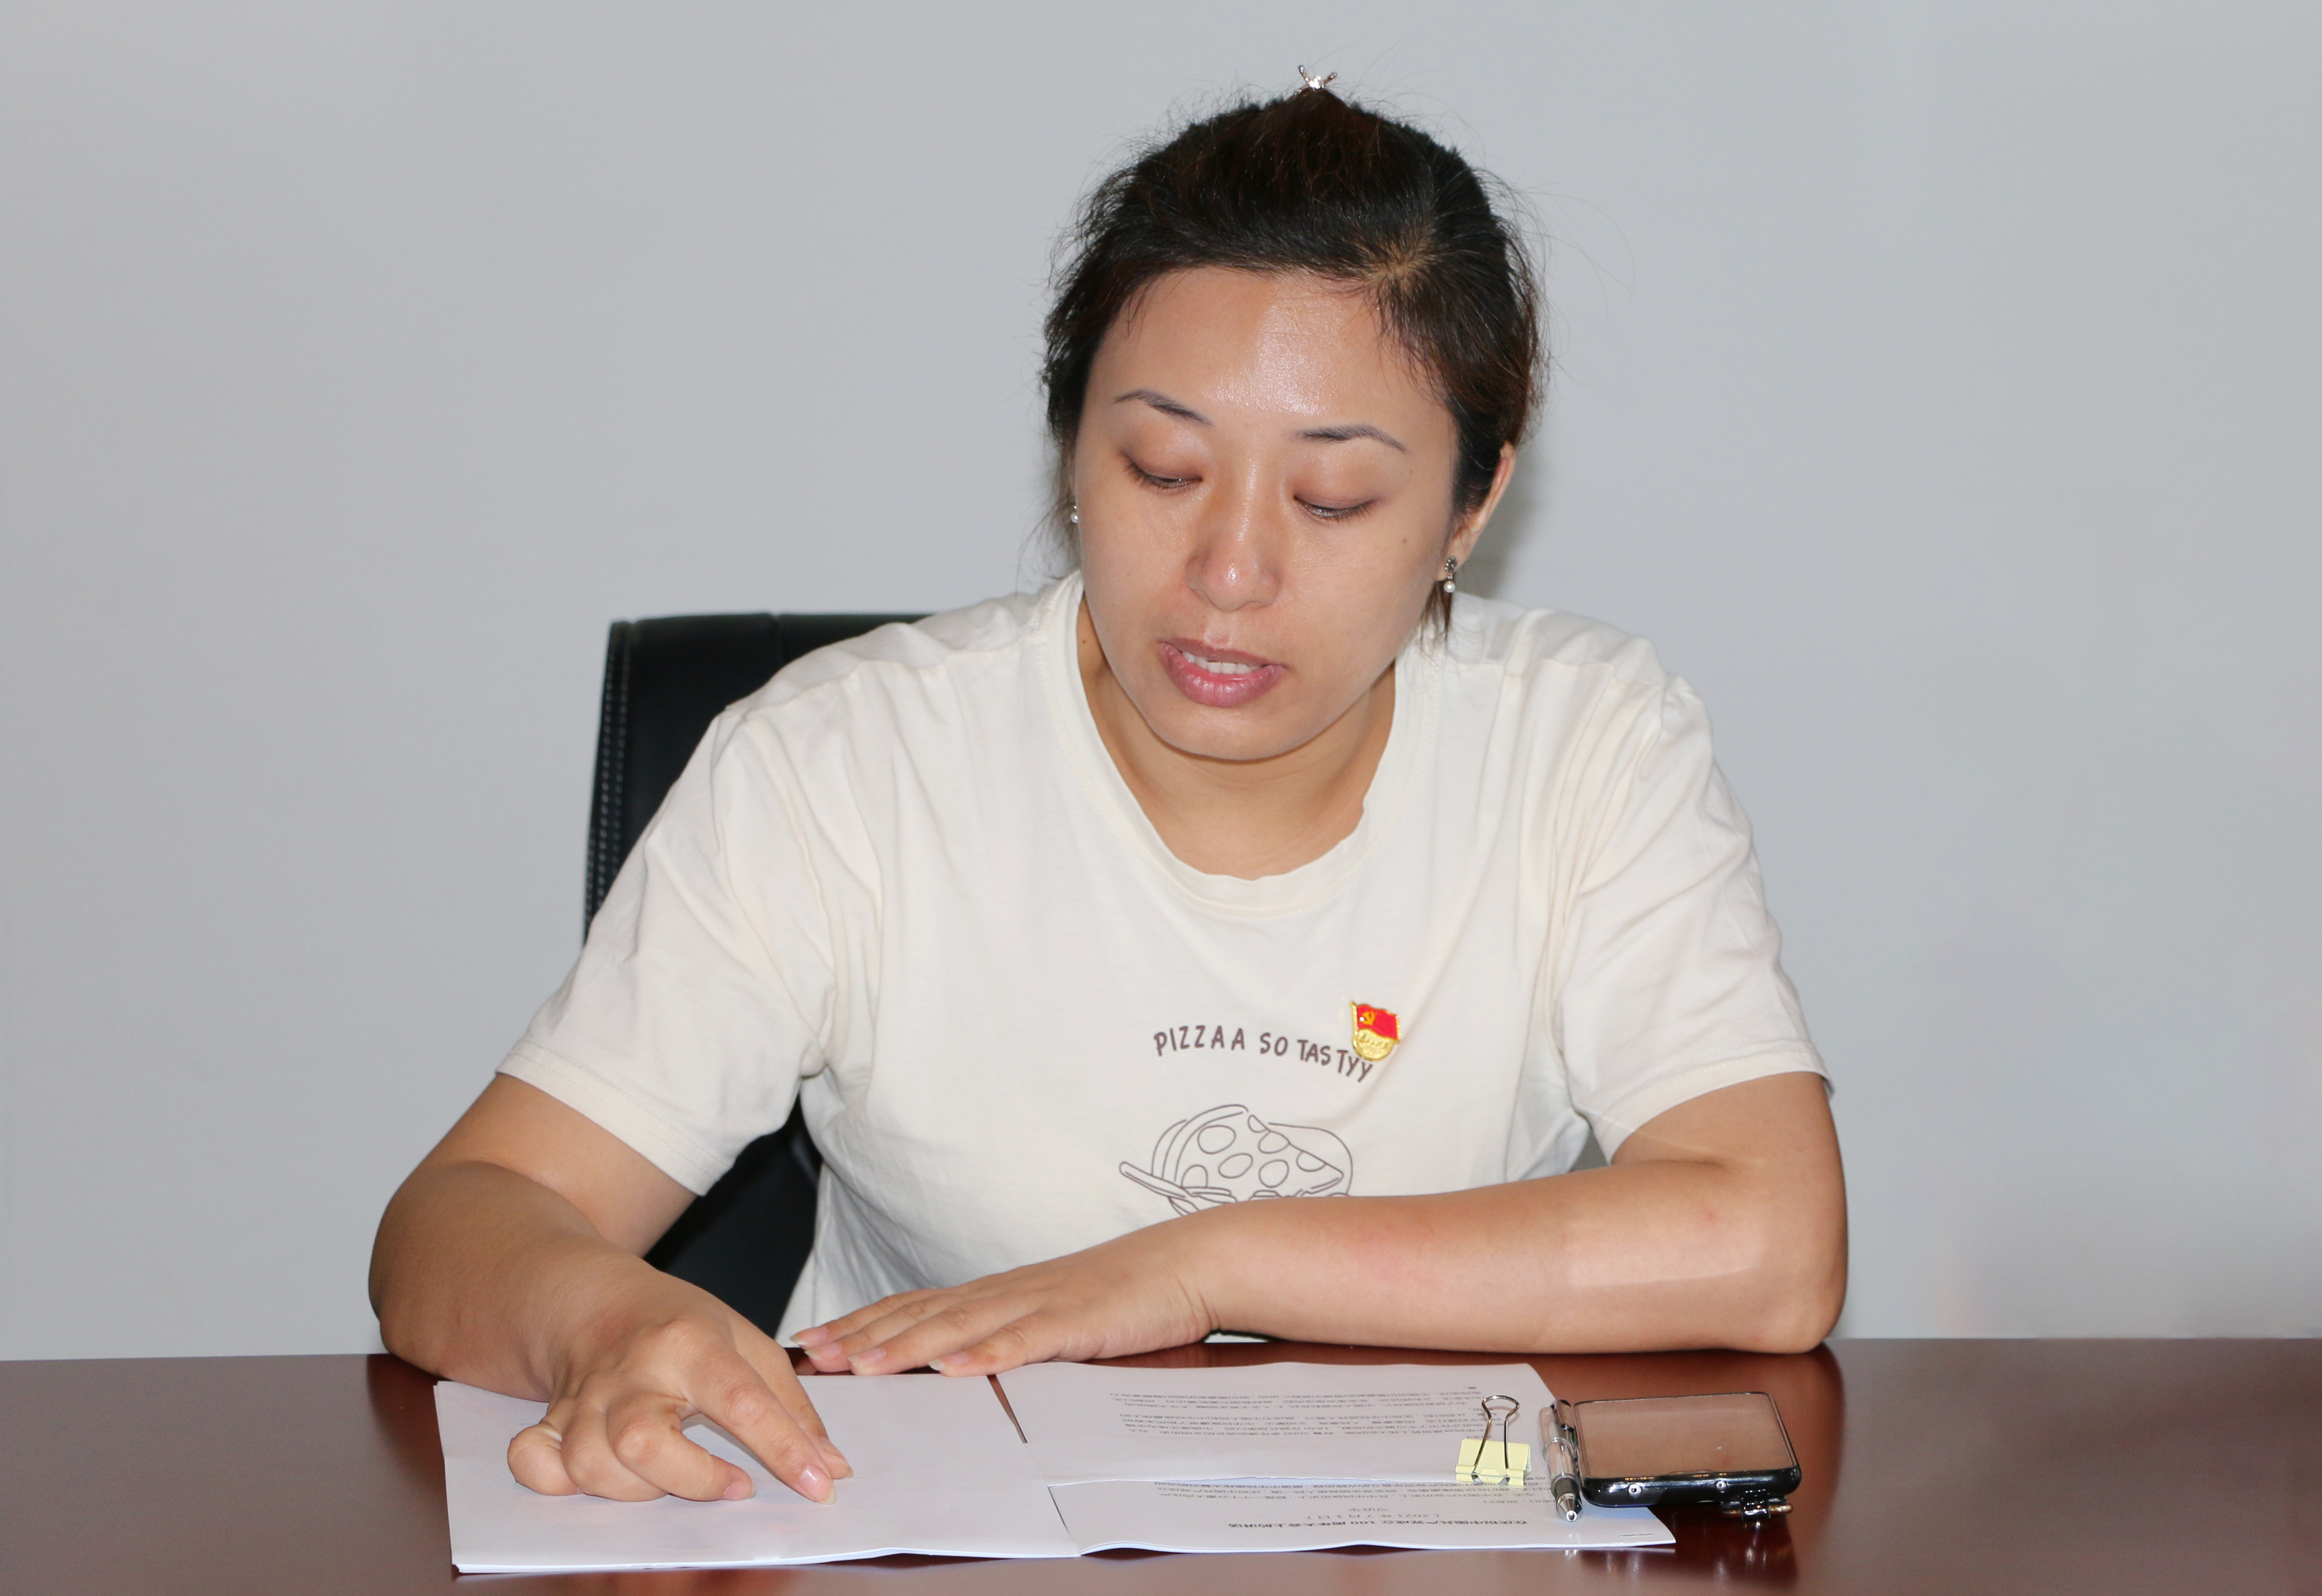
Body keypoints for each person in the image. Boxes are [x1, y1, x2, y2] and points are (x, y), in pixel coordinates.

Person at [370, 79, 1846, 1511]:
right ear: (1071, 445)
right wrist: (601, 1321)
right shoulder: (849, 764)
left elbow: (1774, 1243)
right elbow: (457, 1219)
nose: (1230, 572)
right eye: (1162, 468)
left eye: (1332, 499)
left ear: (1473, 503)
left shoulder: (1585, 746)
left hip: (1429, 1530)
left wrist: (1199, 1265)